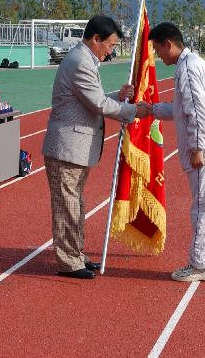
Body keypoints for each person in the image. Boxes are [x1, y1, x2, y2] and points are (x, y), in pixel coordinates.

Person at [41, 15, 148, 279]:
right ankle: (68, 261)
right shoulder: (80, 62)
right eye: (110, 45)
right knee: (67, 205)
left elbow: (93, 99)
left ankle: (75, 254)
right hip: (67, 148)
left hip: (75, 148)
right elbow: (97, 105)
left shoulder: (86, 60)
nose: (110, 51)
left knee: (74, 203)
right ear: (96, 39)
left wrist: (118, 98)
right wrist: (133, 110)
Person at [144, 22, 205, 282]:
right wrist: (151, 109)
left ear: (169, 44)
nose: (158, 56)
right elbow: (180, 109)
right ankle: (204, 260)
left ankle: (202, 264)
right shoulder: (189, 65)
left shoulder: (188, 68)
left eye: (158, 49)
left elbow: (198, 111)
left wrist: (198, 148)